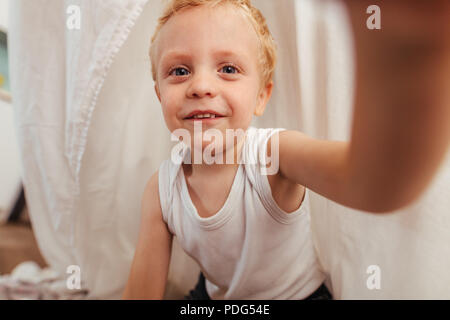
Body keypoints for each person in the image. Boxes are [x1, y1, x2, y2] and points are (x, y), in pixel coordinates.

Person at [122, 0, 450, 299]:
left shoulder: (272, 154)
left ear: (262, 96)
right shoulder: (161, 190)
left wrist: (414, 43)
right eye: (179, 71)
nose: (202, 87)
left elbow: (374, 183)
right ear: (159, 95)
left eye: (228, 69)